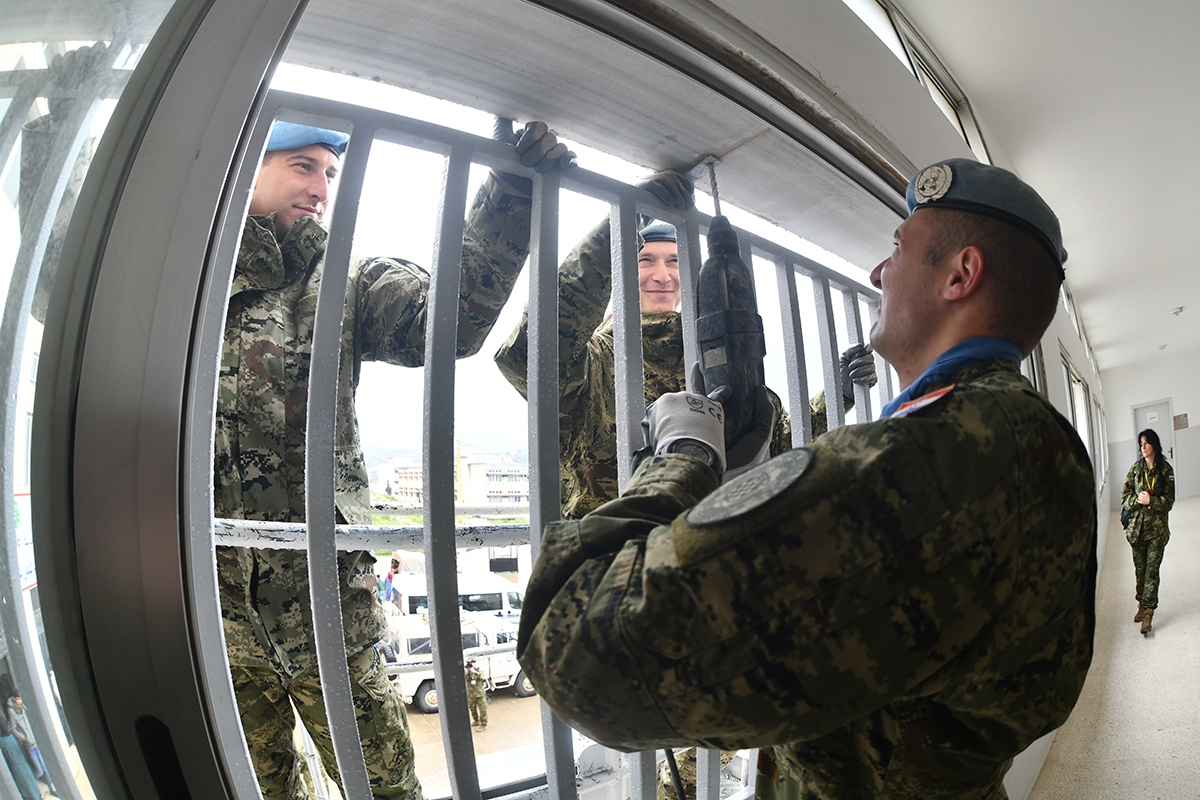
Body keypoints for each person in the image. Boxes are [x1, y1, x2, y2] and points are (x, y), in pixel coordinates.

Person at [517, 158, 1097, 798]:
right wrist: (611, 231)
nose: (879, 271)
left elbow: (573, 651)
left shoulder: (942, 455)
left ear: (961, 275)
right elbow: (530, 352)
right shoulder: (1038, 438)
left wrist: (682, 457)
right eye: (645, 260)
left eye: (898, 247)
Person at [216, 118, 574, 799]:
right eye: (302, 166)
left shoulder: (343, 279)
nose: (321, 186)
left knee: (386, 788)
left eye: (329, 172)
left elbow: (444, 321)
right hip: (216, 608)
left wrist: (512, 194)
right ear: (249, 168)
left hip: (327, 614)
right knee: (250, 786)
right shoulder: (191, 284)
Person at [494, 183, 876, 521]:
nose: (662, 275)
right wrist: (621, 224)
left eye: (674, 261)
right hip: (612, 560)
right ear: (618, 268)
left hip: (705, 557)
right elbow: (529, 354)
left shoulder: (715, 362)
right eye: (645, 259)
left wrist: (838, 394)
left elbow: (773, 442)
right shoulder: (596, 362)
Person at [1122, 428, 1175, 635]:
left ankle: (1149, 613)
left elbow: (1169, 501)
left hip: (1157, 531)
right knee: (1140, 570)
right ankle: (1141, 604)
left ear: (1154, 444)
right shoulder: (1136, 470)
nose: (1143, 448)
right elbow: (1124, 497)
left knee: (1152, 571)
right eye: (1140, 444)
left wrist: (1151, 501)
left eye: (1146, 443)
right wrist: (1137, 500)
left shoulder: (1166, 471)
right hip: (1137, 530)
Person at [6, 695, 54, 796]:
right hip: (29, 745)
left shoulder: (23, 708)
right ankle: (33, 785)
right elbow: (13, 729)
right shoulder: (12, 713)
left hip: (35, 742)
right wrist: (23, 738)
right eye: (18, 698)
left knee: (45, 768)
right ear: (14, 699)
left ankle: (51, 788)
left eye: (20, 698)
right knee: (39, 770)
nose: (20, 700)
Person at [465, 660, 489, 729]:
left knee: (482, 709)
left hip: (479, 694)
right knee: (472, 708)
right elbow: (465, 679)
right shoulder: (468, 672)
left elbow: (481, 676)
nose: (471, 664)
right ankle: (476, 720)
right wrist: (466, 673)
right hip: (471, 694)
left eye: (472, 663)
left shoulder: (479, 670)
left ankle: (483, 724)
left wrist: (474, 671)